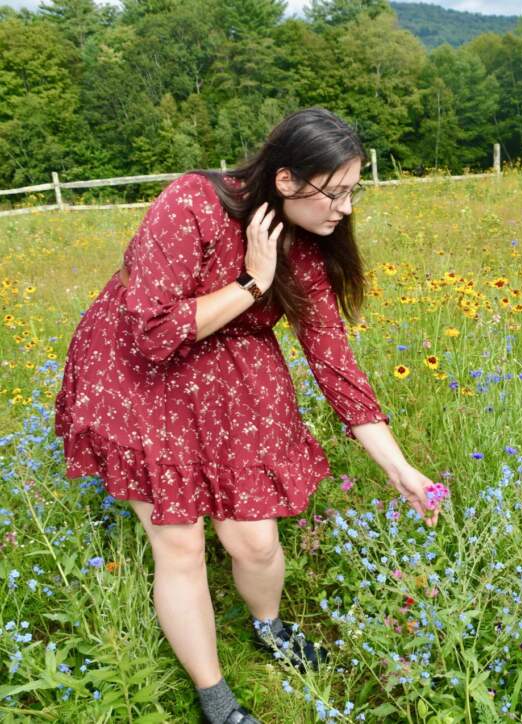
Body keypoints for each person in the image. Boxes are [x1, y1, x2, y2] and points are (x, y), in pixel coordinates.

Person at [54, 107, 441, 724]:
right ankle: (217, 702)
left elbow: (334, 364)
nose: (345, 207)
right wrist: (253, 284)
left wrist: (399, 467)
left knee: (254, 541)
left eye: (353, 190)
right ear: (286, 181)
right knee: (178, 544)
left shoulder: (310, 247)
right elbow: (151, 332)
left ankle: (269, 626)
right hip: (139, 374)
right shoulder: (192, 203)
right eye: (334, 192)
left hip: (232, 371)